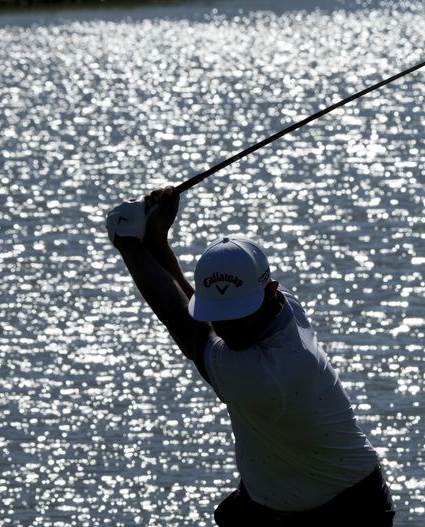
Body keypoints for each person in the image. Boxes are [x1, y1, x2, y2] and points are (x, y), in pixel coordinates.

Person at [106, 187, 395, 526]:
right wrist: (156, 239)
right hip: (273, 498)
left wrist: (127, 240)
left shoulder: (268, 372)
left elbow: (181, 320)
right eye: (219, 313)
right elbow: (193, 318)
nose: (227, 328)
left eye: (238, 314)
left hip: (348, 511)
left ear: (271, 291)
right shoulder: (281, 305)